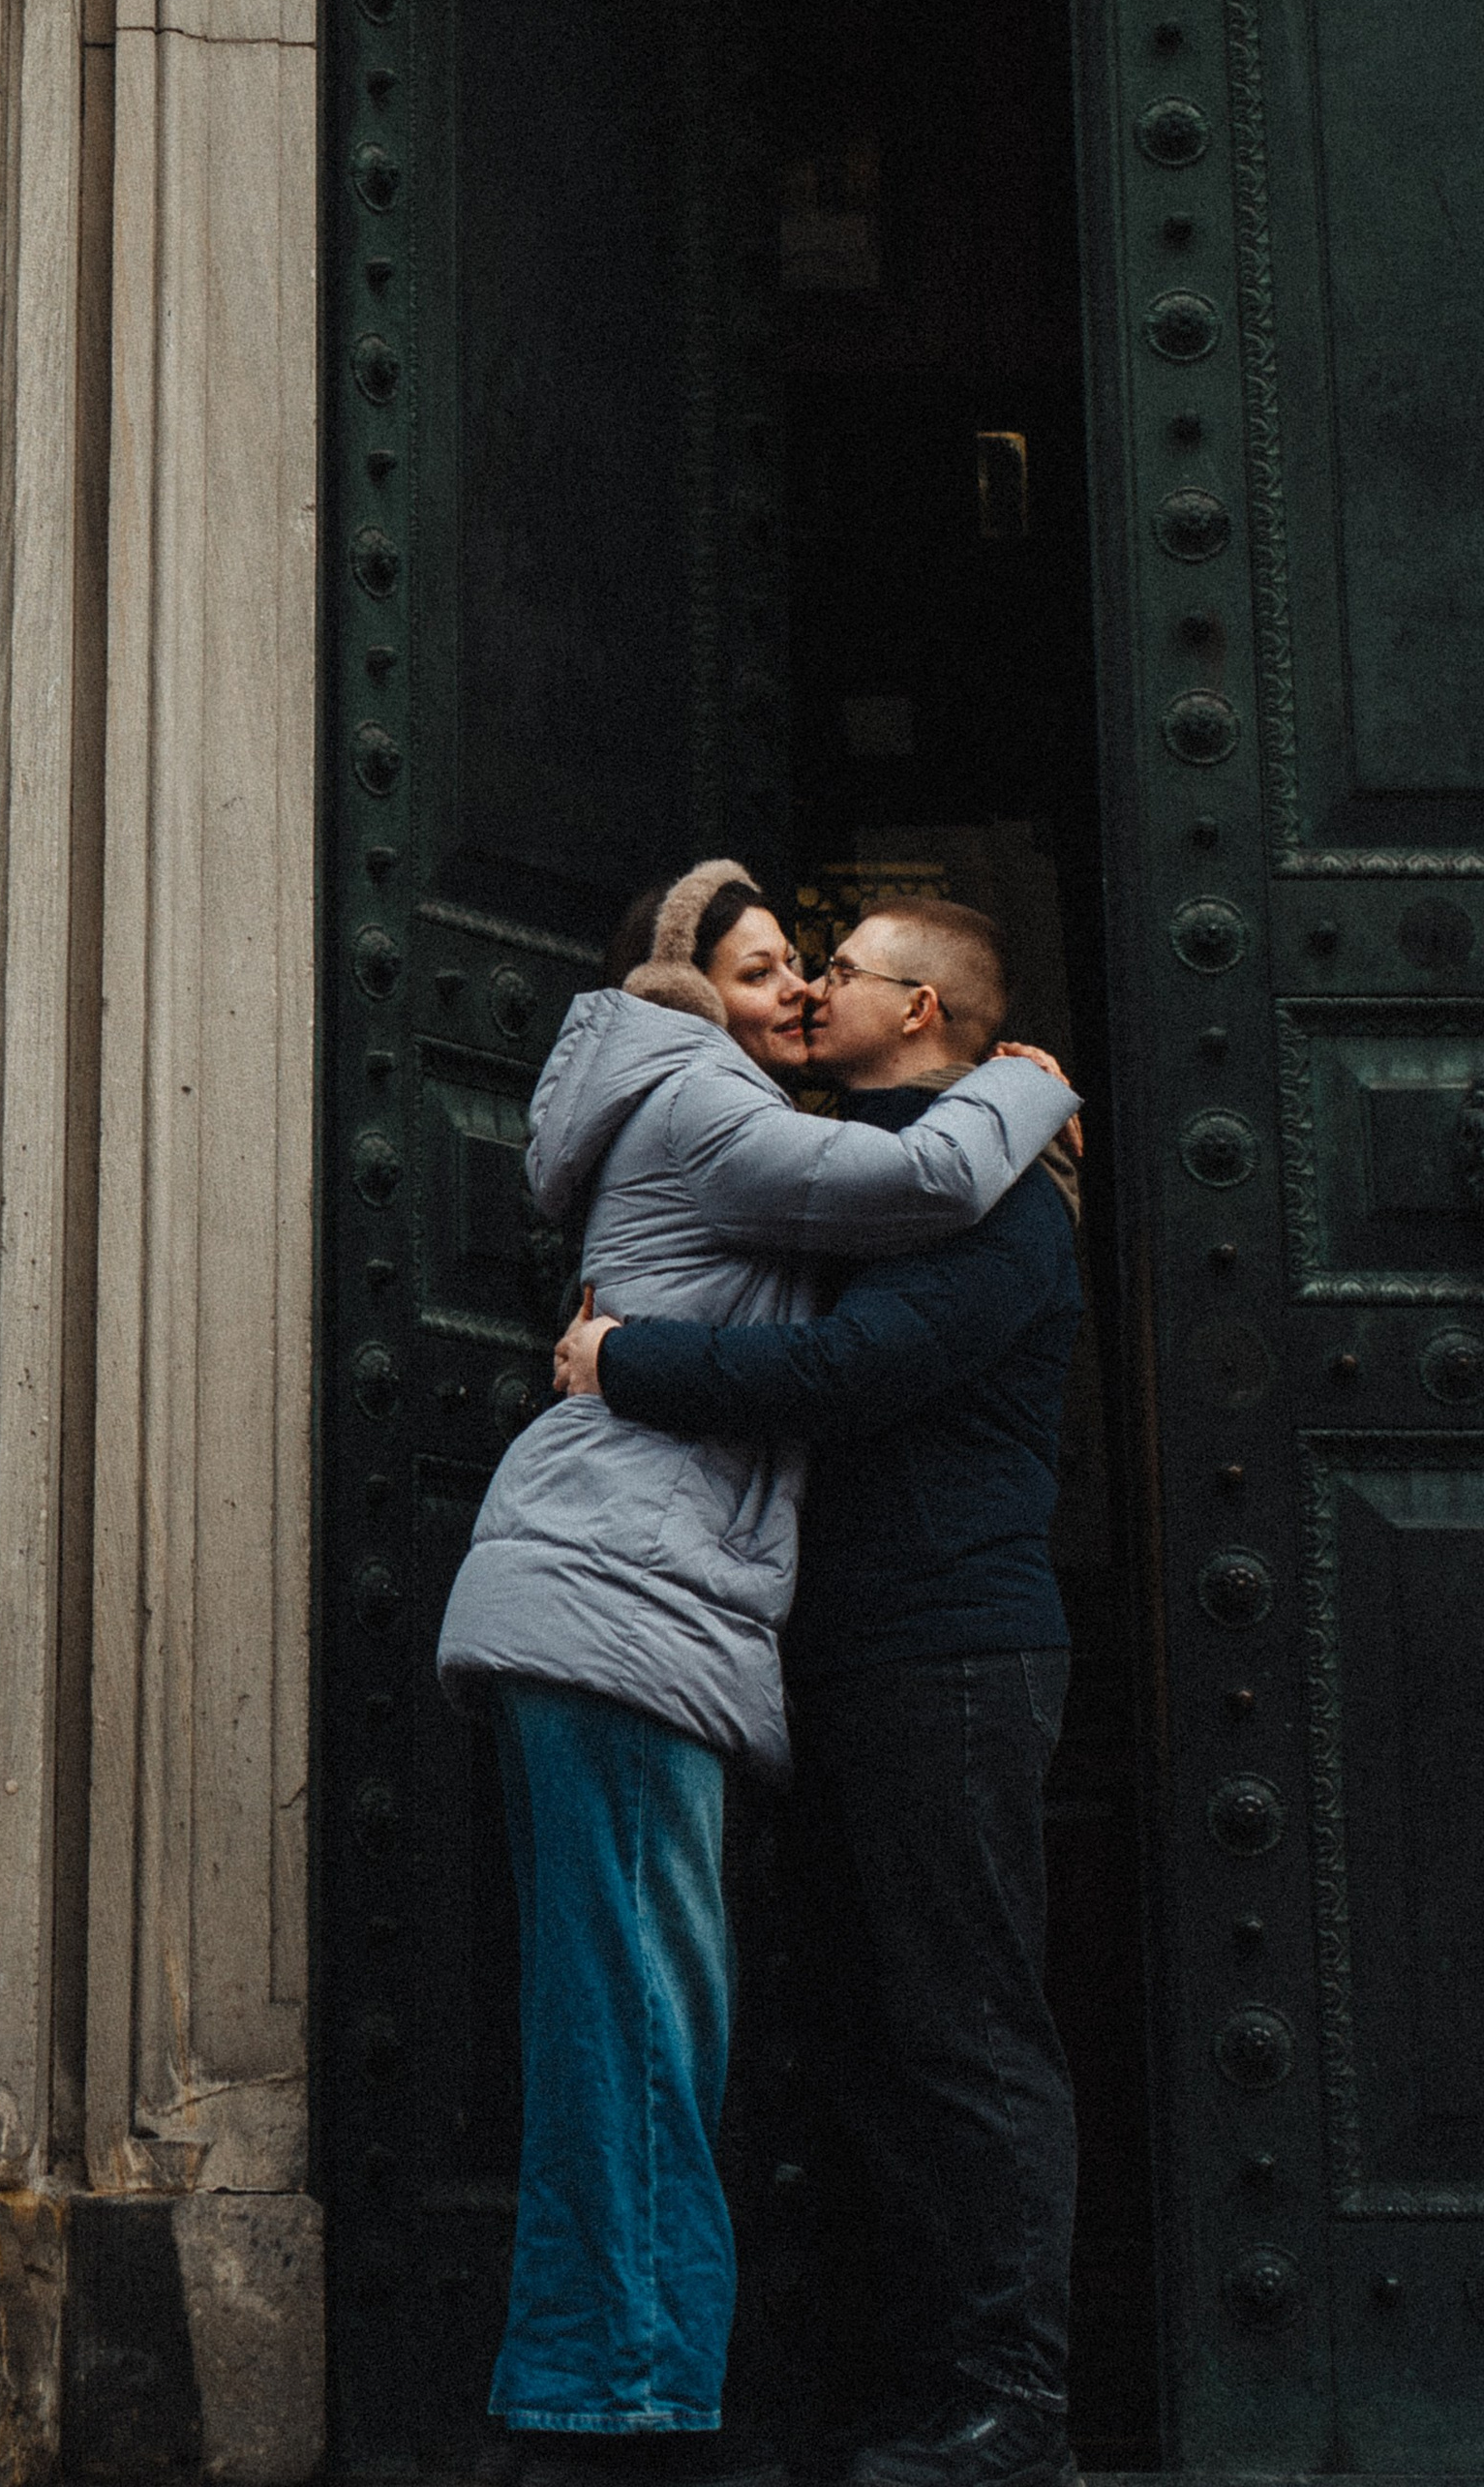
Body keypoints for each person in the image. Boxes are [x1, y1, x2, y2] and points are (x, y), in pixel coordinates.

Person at [439, 864, 1082, 2487]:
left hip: (942, 1645)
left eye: (833, 967)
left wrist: (627, 1353)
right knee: (807, 2029)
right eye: (772, 966)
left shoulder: (983, 1181)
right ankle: (708, 2398)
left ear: (919, 1009)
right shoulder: (758, 1130)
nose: (808, 991)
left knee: (956, 2027)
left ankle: (1005, 2407)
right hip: (742, 1638)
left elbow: (856, 1368)